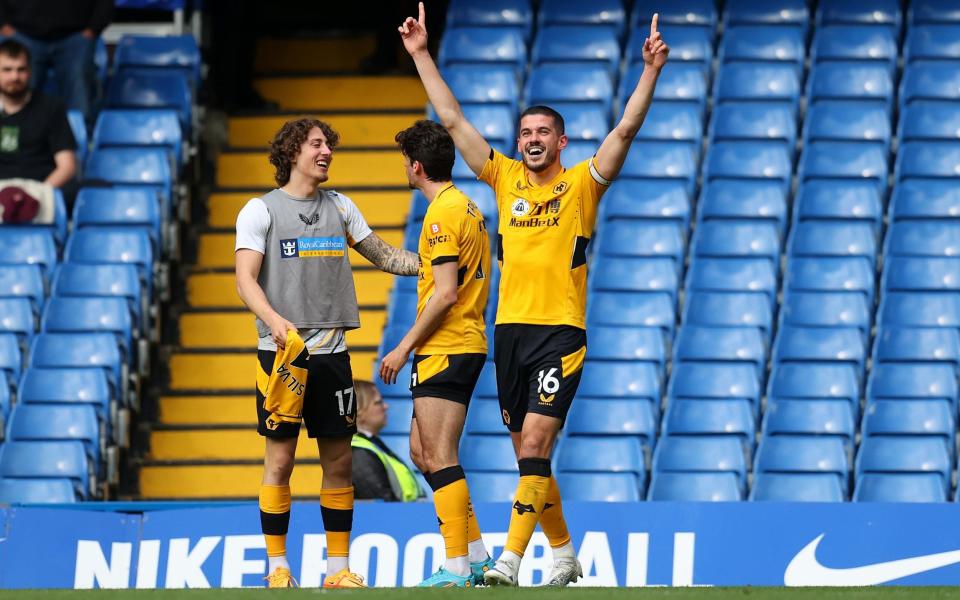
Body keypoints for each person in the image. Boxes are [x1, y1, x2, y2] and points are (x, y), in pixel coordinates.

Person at [398, 3, 669, 587]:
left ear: (562, 141)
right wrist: (421, 54)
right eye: (524, 133)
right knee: (529, 457)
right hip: (509, 335)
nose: (532, 140)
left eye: (543, 131)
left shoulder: (582, 184)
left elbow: (625, 130)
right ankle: (566, 553)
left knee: (539, 442)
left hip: (560, 332)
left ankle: (509, 563)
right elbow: (453, 121)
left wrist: (649, 72)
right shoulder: (503, 179)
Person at [234, 117, 420, 589]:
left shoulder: (341, 206)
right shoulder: (260, 210)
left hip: (333, 354)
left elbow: (382, 254)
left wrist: (435, 266)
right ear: (292, 152)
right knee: (280, 462)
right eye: (317, 144)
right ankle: (278, 569)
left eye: (328, 145)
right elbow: (244, 280)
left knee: (338, 462)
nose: (327, 152)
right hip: (281, 358)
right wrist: (276, 323)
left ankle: (337, 570)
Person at [378, 119, 495, 587]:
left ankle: (457, 567)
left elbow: (445, 293)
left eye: (406, 162)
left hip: (449, 345)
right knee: (421, 453)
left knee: (440, 455)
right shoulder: (464, 206)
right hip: (452, 346)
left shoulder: (443, 214)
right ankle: (478, 554)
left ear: (417, 166)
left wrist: (402, 347)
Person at [0, 0, 113, 123]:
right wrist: (2, 24)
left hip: (76, 36)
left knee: (80, 99)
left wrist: (94, 27)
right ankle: (11, 139)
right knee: (14, 92)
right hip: (22, 33)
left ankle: (81, 139)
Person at [0, 38, 76, 188]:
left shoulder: (51, 107)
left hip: (39, 190)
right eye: (7, 70)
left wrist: (40, 193)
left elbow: (67, 166)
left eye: (21, 69)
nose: (15, 77)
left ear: (30, 72)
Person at [351, 379, 424, 502]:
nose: (386, 406)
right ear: (359, 410)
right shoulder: (358, 452)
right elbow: (379, 505)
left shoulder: (371, 445)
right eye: (378, 402)